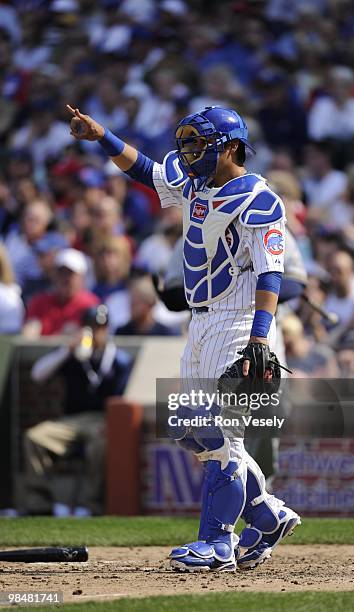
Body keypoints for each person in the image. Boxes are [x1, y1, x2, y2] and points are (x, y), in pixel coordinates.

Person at [67, 103, 301, 572]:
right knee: (188, 427)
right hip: (199, 321)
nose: (189, 152)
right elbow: (148, 172)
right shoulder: (195, 182)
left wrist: (259, 338)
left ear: (231, 147)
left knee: (220, 436)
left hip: (238, 320)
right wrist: (103, 136)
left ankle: (216, 544)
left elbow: (271, 273)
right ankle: (266, 514)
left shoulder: (258, 197)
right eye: (188, 142)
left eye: (199, 143)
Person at [23, 305, 133, 516]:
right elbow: (38, 375)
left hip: (102, 420)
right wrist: (67, 350)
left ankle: (91, 506)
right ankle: (39, 504)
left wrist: (110, 423)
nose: (96, 332)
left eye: (101, 327)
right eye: (91, 327)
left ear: (108, 329)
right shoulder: (72, 355)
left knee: (100, 444)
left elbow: (122, 398)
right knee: (34, 437)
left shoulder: (120, 360)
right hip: (71, 421)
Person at [23, 247, 99, 337]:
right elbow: (28, 335)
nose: (65, 278)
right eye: (61, 273)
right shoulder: (40, 302)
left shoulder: (90, 305)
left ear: (81, 277)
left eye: (70, 274)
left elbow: (93, 339)